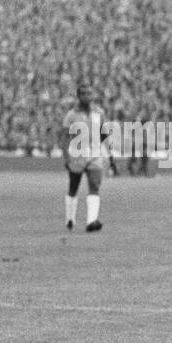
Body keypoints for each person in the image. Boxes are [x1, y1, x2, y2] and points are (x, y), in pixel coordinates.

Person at [60, 83, 108, 232]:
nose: (88, 96)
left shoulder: (99, 112)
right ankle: (70, 219)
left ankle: (91, 221)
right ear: (79, 96)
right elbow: (65, 137)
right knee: (73, 187)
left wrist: (102, 149)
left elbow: (104, 133)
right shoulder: (72, 115)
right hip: (77, 155)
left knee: (94, 186)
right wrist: (67, 157)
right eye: (85, 94)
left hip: (94, 155)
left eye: (90, 93)